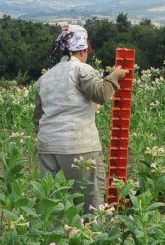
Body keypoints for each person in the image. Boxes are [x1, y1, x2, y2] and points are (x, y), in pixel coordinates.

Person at [33, 24, 128, 212]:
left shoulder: (45, 78)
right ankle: (93, 239)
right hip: (78, 146)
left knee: (51, 202)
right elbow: (100, 94)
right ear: (83, 50)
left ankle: (52, 238)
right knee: (92, 203)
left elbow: (38, 116)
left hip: (47, 147)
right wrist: (115, 77)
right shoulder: (81, 70)